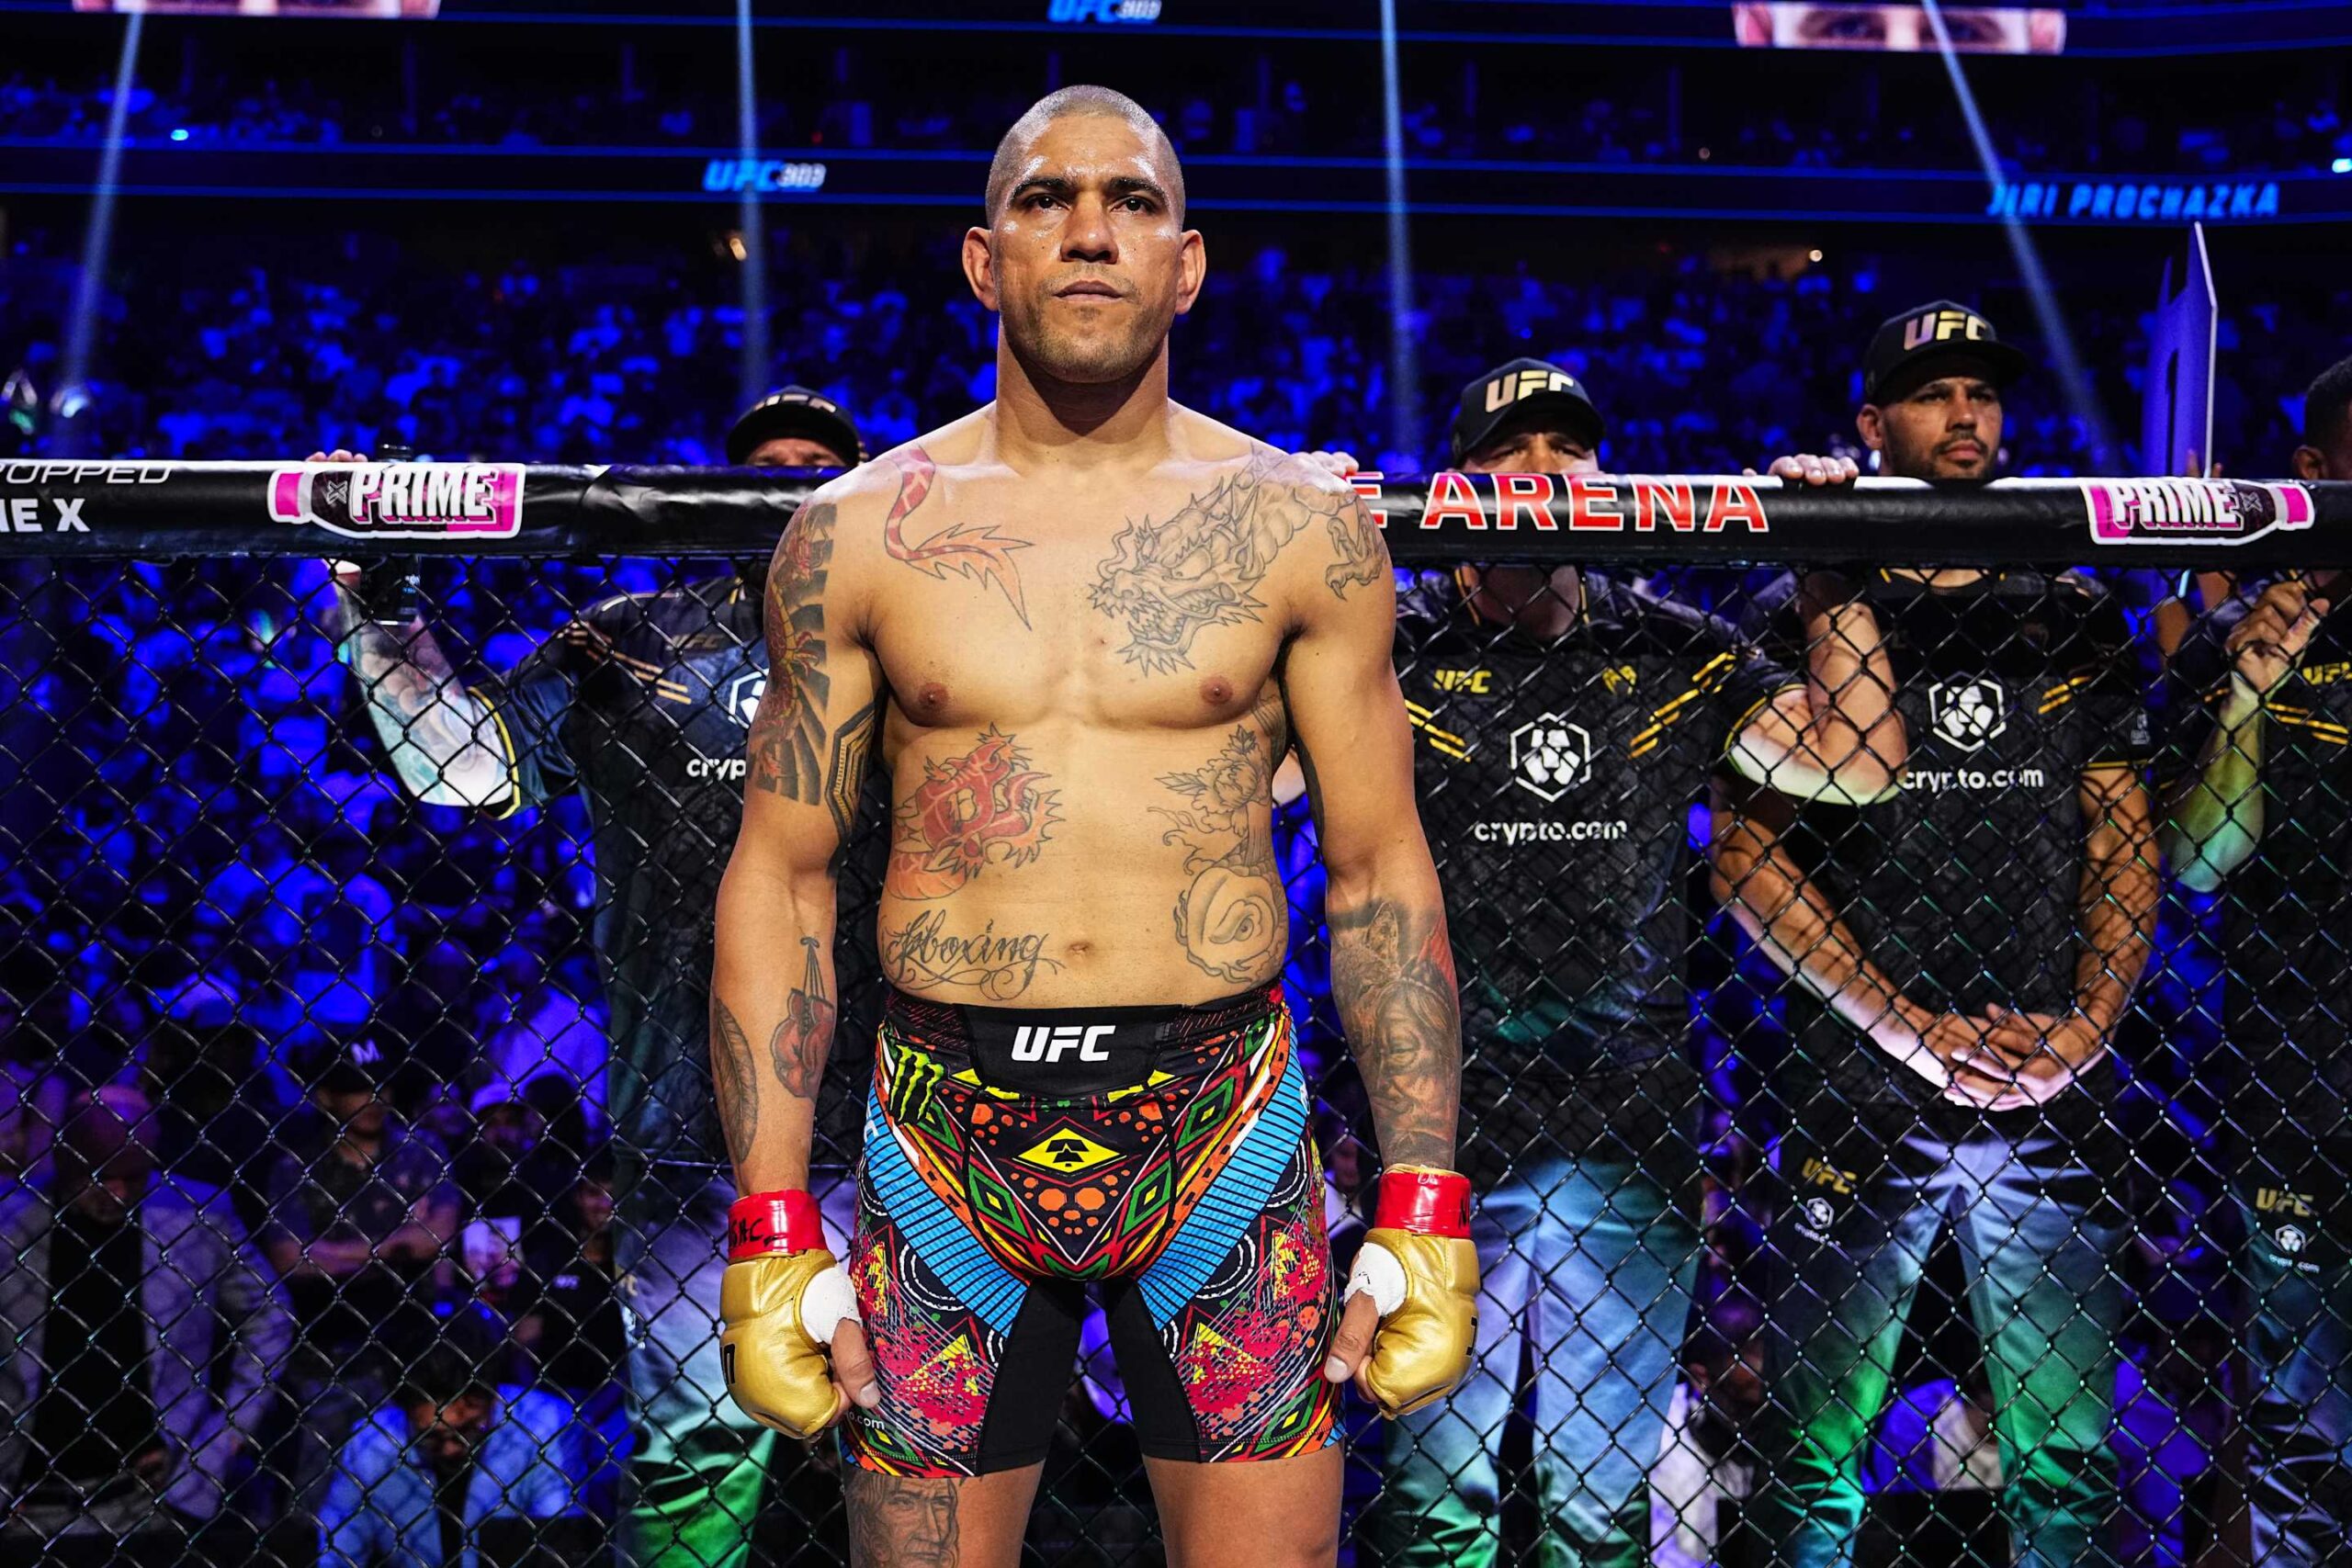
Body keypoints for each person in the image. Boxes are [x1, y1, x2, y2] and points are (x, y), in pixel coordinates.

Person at [709, 85, 1475, 1567]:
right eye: (1046, 199)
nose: (1087, 233)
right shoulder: (858, 530)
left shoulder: (1295, 527)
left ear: (1187, 263)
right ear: (980, 257)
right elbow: (782, 873)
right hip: (944, 1131)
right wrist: (768, 1220)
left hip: (1221, 1125)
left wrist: (1424, 1191)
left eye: (1129, 201)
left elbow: (1381, 869)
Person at [1363, 360, 1902, 1567]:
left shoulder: (1674, 646)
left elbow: (1858, 756)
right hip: (1441, 1119)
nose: (1553, 472)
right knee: (1432, 1499)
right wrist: (1302, 568)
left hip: (1628, 1122)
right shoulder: (1386, 643)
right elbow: (1262, 777)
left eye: (1575, 450)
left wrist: (1830, 558)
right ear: (1458, 486)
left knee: (1601, 1504)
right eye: (1519, 453)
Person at [315, 385, 865, 1568]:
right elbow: (464, 770)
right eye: (760, 468)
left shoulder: (928, 629)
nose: (782, 488)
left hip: (900, 1125)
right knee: (692, 1445)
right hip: (686, 1128)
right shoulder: (632, 637)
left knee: (921, 1449)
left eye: (812, 469)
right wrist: (384, 611)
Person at [1714, 300, 2161, 1568]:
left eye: (1983, 392)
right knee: (1809, 1449)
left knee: (2066, 1452)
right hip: (1858, 1077)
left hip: (2048, 1075)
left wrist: (2086, 1027)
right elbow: (1748, 857)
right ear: (1872, 424)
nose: (1967, 414)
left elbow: (2125, 834)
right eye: (1933, 393)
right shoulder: (1800, 592)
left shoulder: (2069, 606)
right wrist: (1902, 1027)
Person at [2163, 352, 2352, 1564]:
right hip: (2306, 1087)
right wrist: (2244, 696)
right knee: (2305, 1435)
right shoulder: (2245, 630)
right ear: (2316, 469)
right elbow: (2200, 857)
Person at [0, 1086, 292, 1564]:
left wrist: (220, 1441)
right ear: (64, 1159)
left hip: (154, 1500)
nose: (115, 1193)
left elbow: (271, 1315)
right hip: (28, 1502)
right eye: (98, 1176)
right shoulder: (9, 1222)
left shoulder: (197, 1216)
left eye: (132, 1177)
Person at [260, 1035, 462, 1515]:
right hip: (326, 1355)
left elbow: (437, 1237)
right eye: (356, 1088)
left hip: (411, 1351)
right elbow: (291, 1259)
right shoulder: (296, 1166)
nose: (375, 1099)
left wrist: (337, 1254)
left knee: (416, 1498)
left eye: (381, 1086)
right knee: (318, 1495)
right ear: (324, 1096)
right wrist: (391, 1245)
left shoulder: (422, 1150)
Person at [317, 1307, 594, 1568]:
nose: (450, 1449)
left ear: (494, 1398)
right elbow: (337, 1552)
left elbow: (557, 1541)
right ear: (405, 1413)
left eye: (468, 1429)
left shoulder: (548, 1425)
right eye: (431, 1436)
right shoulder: (370, 1444)